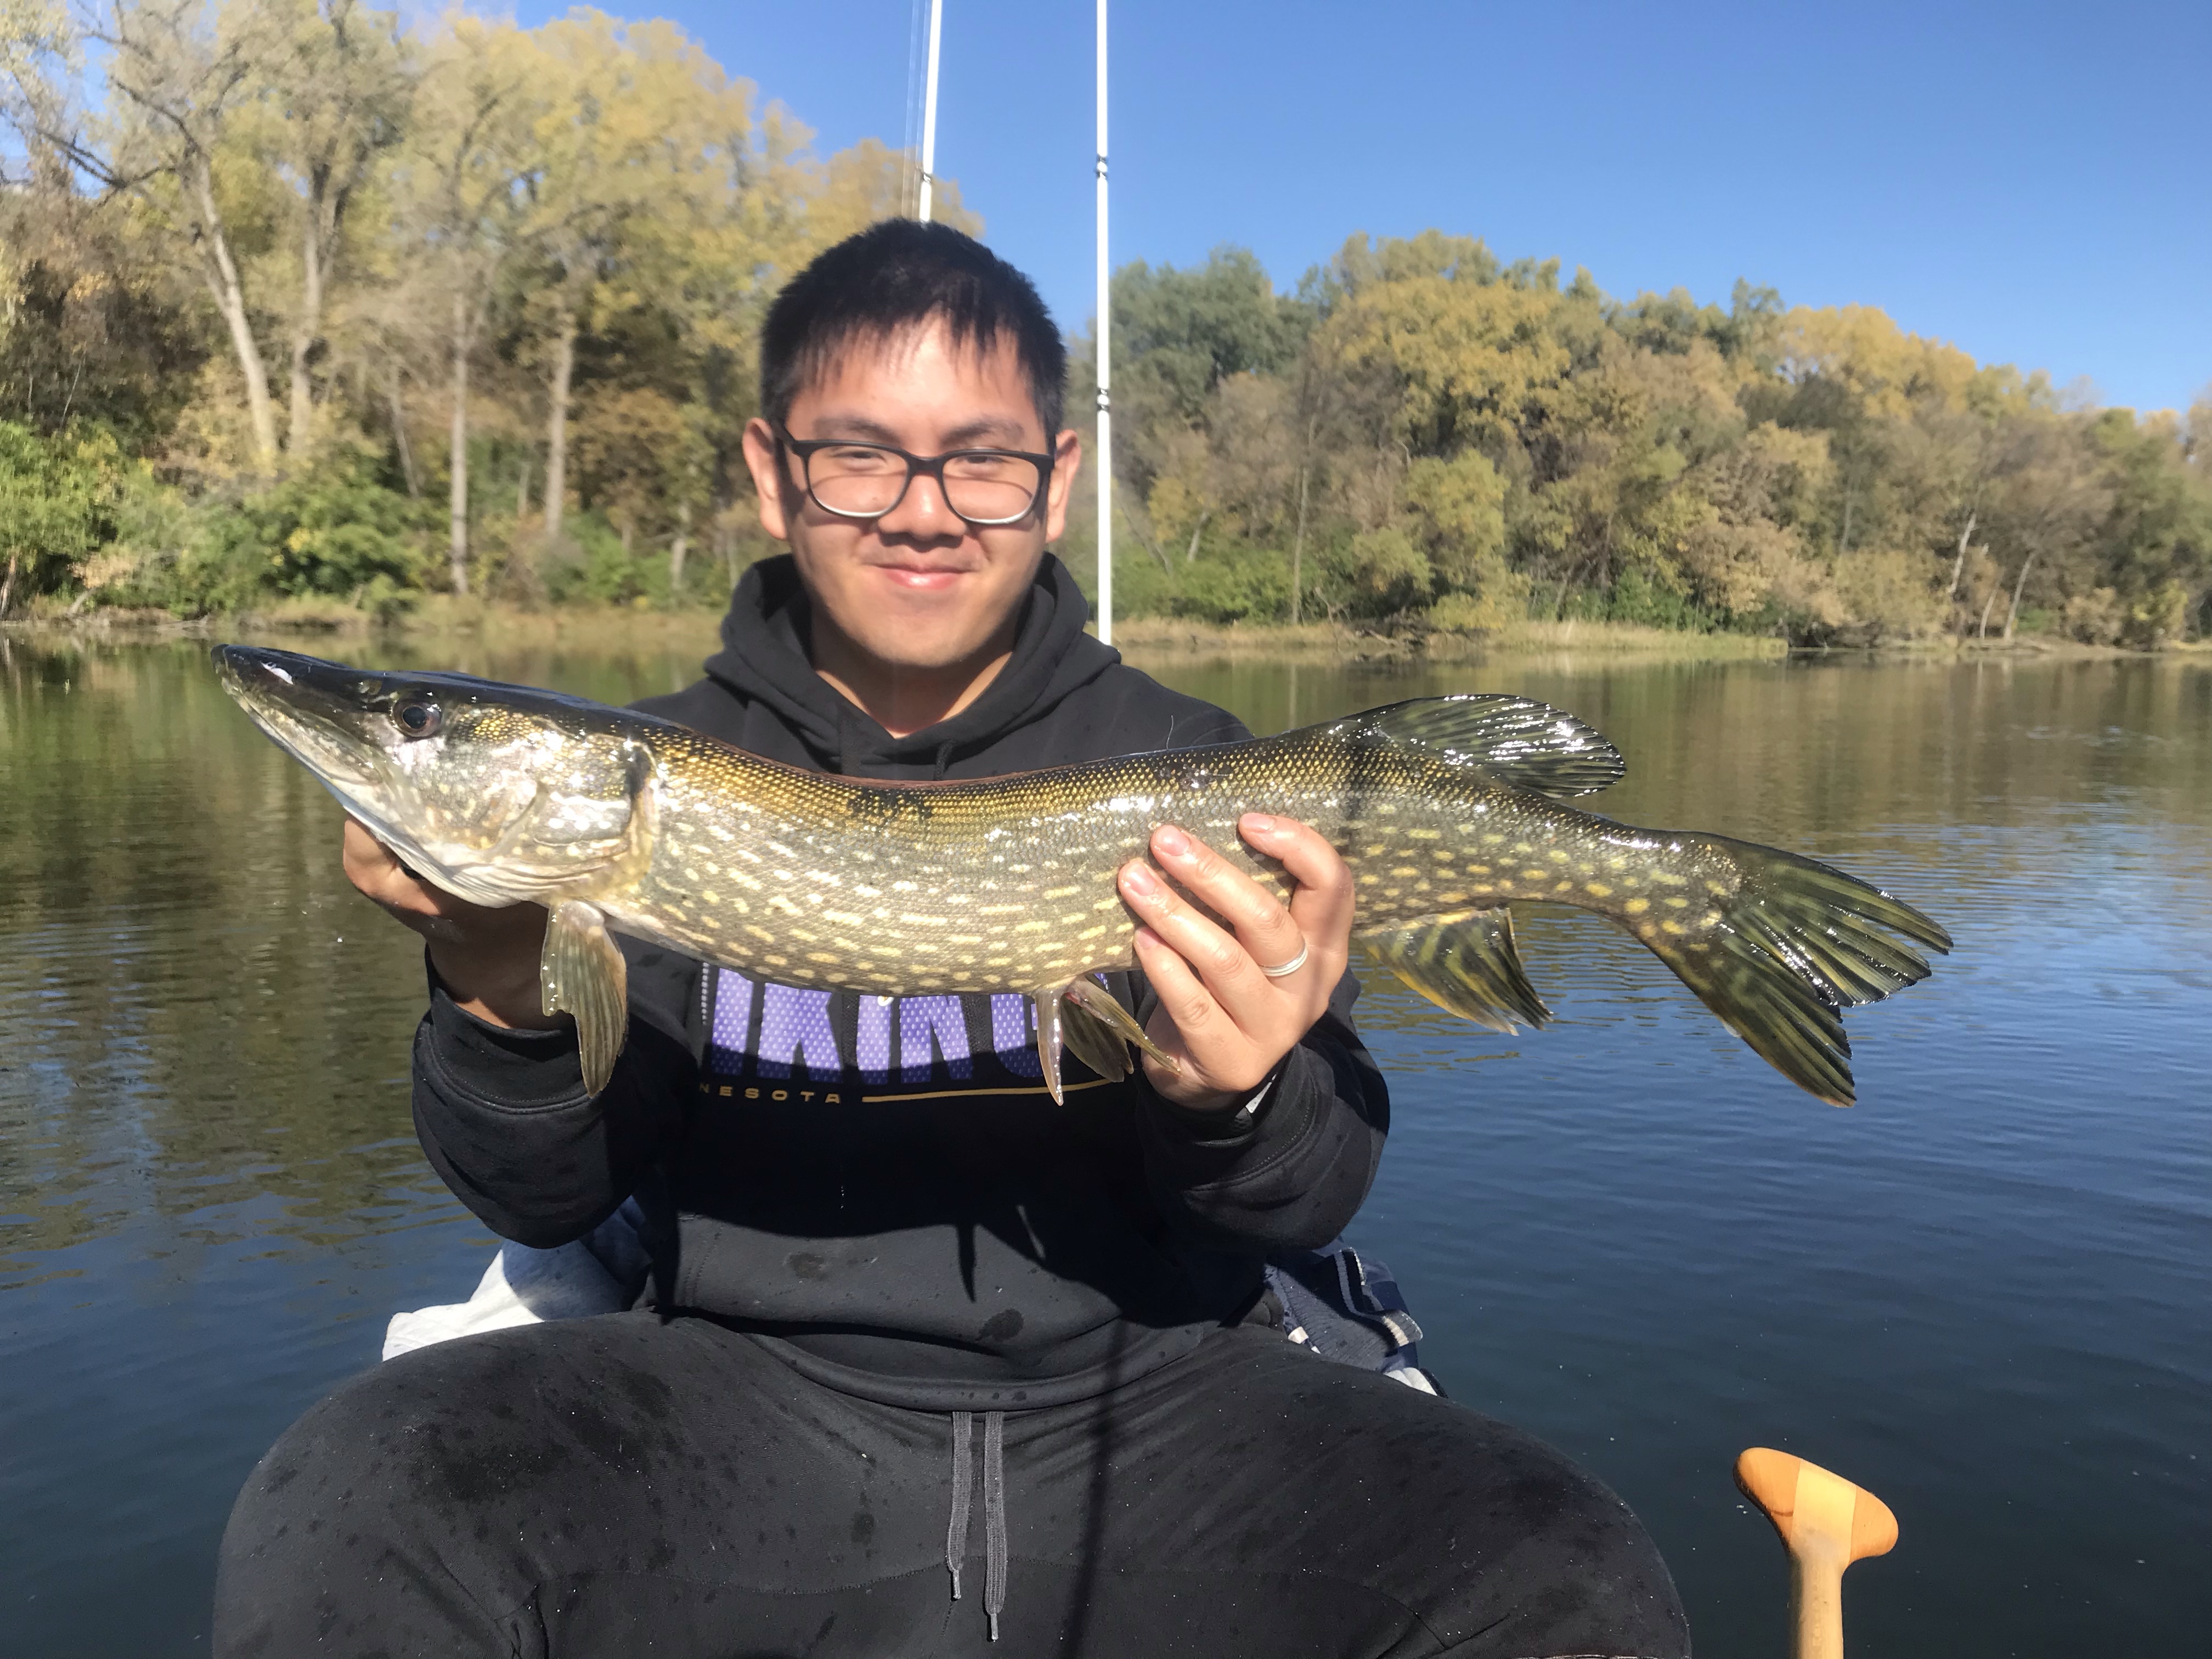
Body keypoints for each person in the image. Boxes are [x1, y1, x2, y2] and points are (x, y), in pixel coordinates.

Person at [213, 221, 1688, 1658]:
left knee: (1566, 1568)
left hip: (1163, 1402)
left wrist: (1228, 1095)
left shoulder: (1198, 768)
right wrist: (495, 992)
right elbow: (547, 1201)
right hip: (729, 1413)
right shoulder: (668, 777)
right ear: (772, 471)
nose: (923, 511)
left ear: (1057, 480)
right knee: (351, 1504)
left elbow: (1307, 1198)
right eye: (860, 456)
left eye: (980, 460)